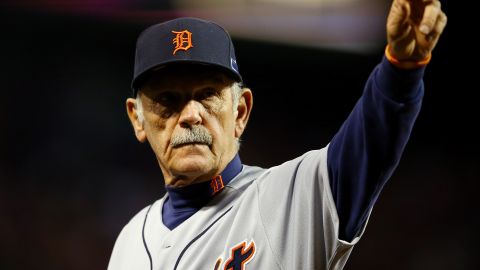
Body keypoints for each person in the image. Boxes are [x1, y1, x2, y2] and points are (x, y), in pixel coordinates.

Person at [108, 0, 447, 269]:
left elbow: (371, 139)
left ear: (240, 112)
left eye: (208, 95)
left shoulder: (290, 198)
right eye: (169, 100)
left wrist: (401, 70)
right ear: (138, 119)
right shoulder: (129, 241)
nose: (192, 115)